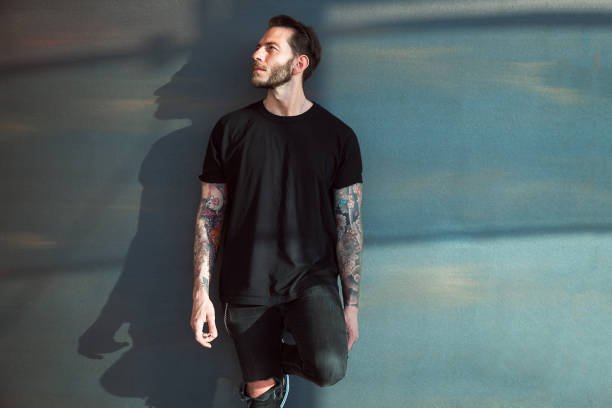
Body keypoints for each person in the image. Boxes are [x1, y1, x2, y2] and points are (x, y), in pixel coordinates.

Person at [190, 14, 363, 407]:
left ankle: (269, 363)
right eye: (258, 46)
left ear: (299, 63)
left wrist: (351, 305)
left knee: (329, 367)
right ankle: (265, 379)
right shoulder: (231, 129)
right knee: (260, 395)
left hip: (311, 280)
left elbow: (349, 226)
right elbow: (209, 216)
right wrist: (201, 294)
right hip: (247, 281)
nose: (256, 55)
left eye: (270, 48)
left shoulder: (338, 136)